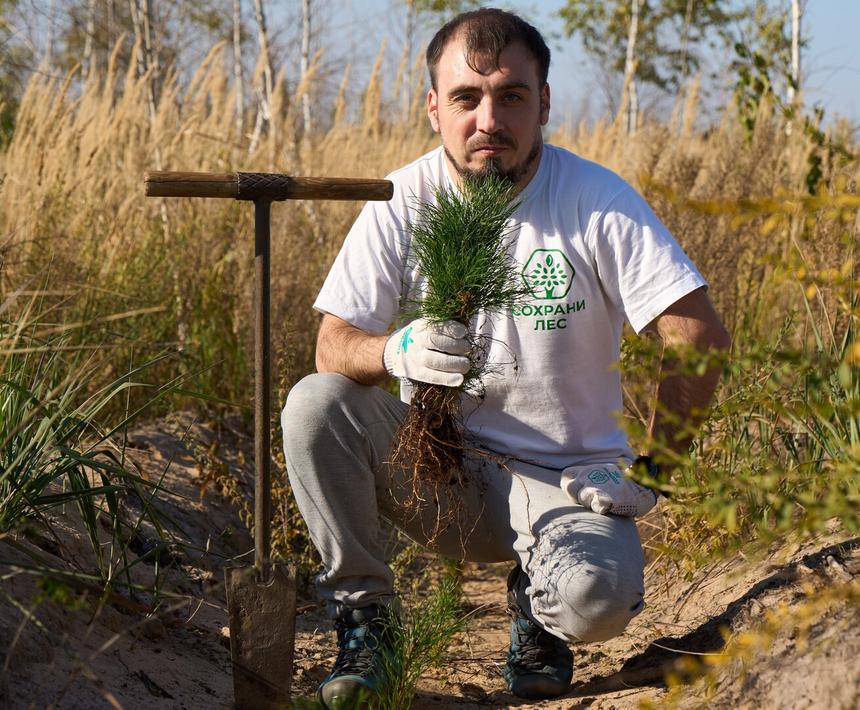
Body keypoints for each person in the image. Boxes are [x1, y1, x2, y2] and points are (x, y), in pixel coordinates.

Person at [281, 7, 731, 708]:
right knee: (314, 402)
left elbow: (700, 335)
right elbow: (333, 346)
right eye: (466, 97)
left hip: (569, 482)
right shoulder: (404, 199)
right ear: (434, 107)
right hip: (441, 472)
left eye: (512, 96)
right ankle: (366, 618)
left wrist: (656, 471)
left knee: (596, 601)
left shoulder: (596, 200)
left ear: (543, 102)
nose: (489, 118)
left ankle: (539, 605)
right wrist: (396, 348)